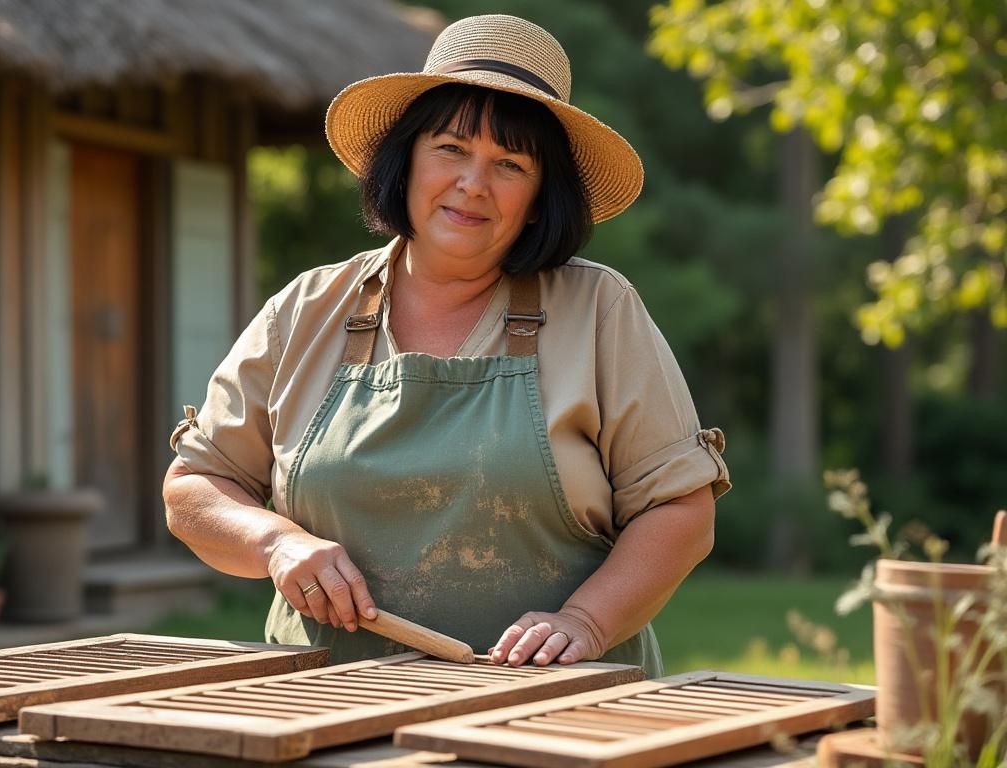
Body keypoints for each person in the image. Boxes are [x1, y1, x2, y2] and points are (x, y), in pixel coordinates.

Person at [163, 13, 729, 674]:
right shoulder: (307, 309)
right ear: (405, 163)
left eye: (509, 164)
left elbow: (682, 511)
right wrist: (274, 543)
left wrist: (584, 622)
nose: (473, 184)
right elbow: (195, 487)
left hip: (560, 704)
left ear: (542, 198)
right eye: (451, 149)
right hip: (322, 700)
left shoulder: (599, 311)